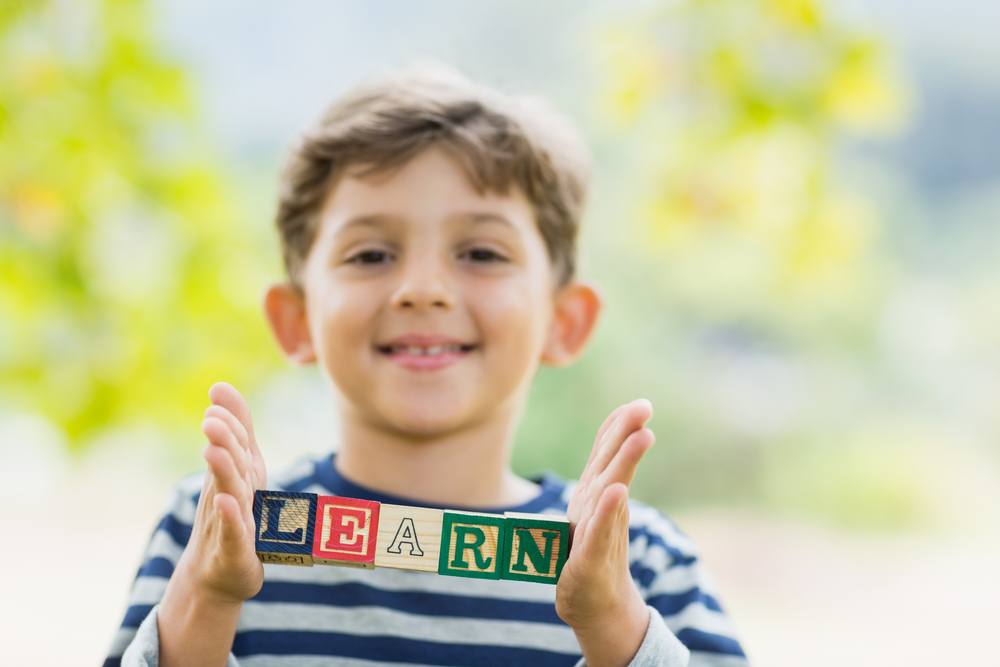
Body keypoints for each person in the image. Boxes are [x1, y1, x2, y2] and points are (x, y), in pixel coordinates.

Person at [104, 65, 749, 667]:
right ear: (296, 320)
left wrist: (614, 626)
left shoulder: (639, 561)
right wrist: (207, 601)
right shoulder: (215, 526)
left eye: (481, 252)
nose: (423, 288)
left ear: (564, 320)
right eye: (371, 255)